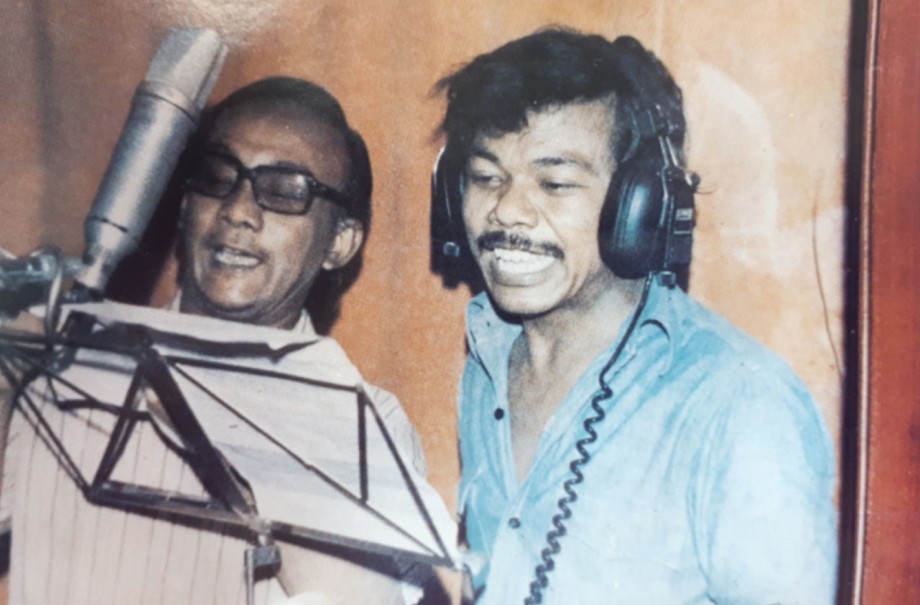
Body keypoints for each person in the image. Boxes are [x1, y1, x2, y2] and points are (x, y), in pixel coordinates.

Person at [432, 28, 837, 604]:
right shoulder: (487, 359)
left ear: (640, 203)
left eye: (555, 183)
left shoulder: (739, 403)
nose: (507, 210)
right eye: (486, 178)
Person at [0, 77, 431, 605]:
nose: (238, 210)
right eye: (217, 177)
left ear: (339, 243)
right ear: (184, 206)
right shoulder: (71, 367)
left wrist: (245, 458)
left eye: (285, 191)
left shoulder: (367, 424)